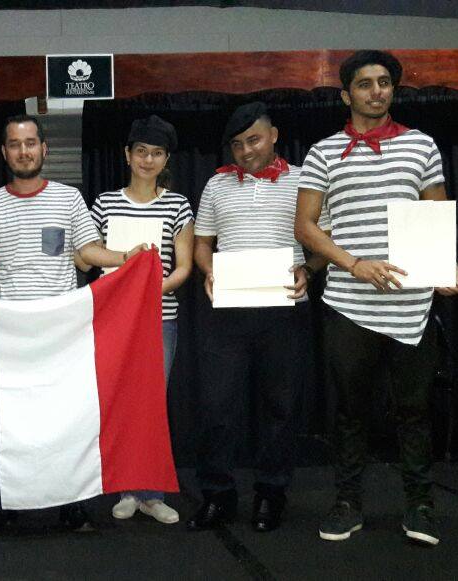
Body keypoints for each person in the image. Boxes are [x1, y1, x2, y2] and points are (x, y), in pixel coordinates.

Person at [294, 50, 458, 546]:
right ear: (346, 94)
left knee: (414, 411)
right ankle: (348, 504)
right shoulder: (324, 152)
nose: (377, 91)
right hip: (350, 305)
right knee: (350, 413)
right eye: (366, 84)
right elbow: (305, 226)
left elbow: (434, 220)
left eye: (385, 82)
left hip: (411, 306)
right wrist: (354, 264)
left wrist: (447, 267)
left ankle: (420, 506)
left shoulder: (422, 146)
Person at [0, 114, 147, 531]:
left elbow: (88, 250)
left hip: (62, 327)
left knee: (65, 420)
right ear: (5, 152)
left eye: (30, 143)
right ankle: (8, 504)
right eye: (14, 144)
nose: (23, 151)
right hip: (9, 329)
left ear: (44, 149)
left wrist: (124, 259)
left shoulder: (68, 198)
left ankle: (71, 504)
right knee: (13, 421)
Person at [187, 101, 326, 533]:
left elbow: (324, 243)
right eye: (237, 144)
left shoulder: (305, 179)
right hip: (227, 311)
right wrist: (208, 271)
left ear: (274, 135)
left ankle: (270, 493)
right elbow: (202, 243)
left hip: (284, 309)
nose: (246, 151)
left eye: (254, 139)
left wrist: (308, 269)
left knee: (280, 407)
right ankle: (218, 495)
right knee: (216, 407)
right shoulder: (216, 185)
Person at [85, 115, 193, 525]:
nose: (148, 160)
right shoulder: (105, 203)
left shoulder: (177, 204)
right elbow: (87, 256)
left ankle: (152, 492)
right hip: (114, 320)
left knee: (153, 404)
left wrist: (150, 290)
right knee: (119, 403)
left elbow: (182, 268)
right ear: (127, 155)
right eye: (141, 151)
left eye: (157, 153)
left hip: (158, 318)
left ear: (166, 159)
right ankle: (126, 488)